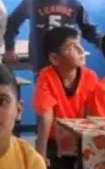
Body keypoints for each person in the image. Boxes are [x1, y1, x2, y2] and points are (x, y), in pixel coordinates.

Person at [3, 0, 100, 72]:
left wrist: (103, 44)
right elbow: (13, 23)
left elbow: (88, 30)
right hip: (41, 63)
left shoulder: (75, 5)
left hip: (68, 63)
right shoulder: (31, 2)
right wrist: (9, 48)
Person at [32, 26, 99, 159]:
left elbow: (92, 115)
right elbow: (46, 118)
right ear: (55, 58)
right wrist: (41, 156)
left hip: (81, 139)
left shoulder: (90, 76)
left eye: (79, 44)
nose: (81, 51)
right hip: (54, 141)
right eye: (71, 47)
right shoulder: (46, 76)